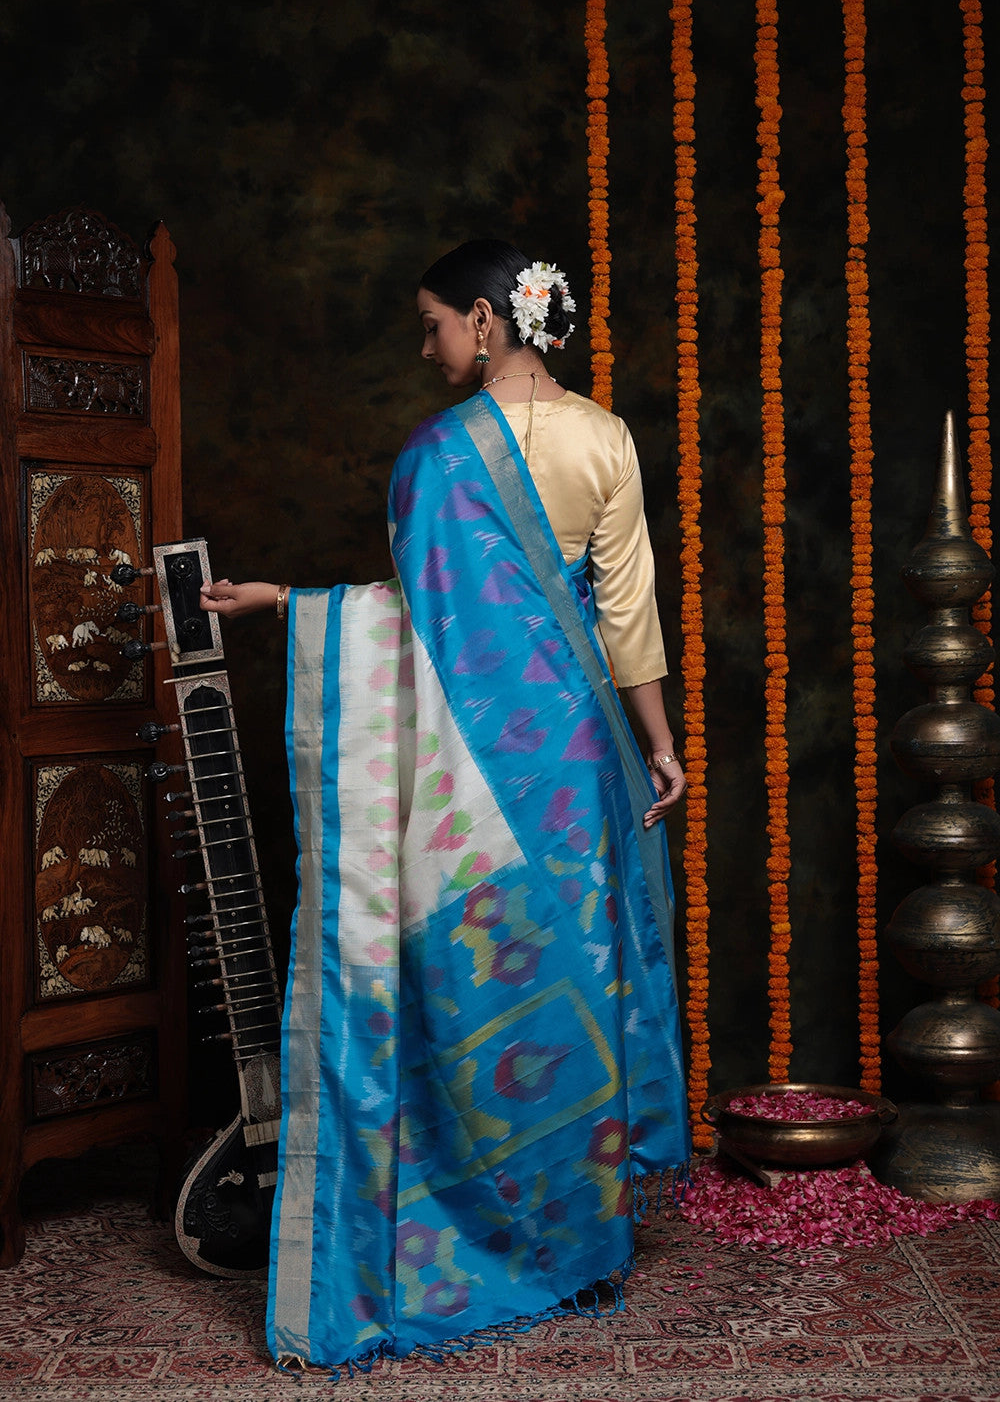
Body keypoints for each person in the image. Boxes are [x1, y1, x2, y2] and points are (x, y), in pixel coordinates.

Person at [200, 239, 692, 1374]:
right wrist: (659, 745)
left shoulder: (436, 455)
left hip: (469, 767)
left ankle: (478, 1227)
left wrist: (292, 604)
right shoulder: (605, 437)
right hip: (575, 756)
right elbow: (627, 613)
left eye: (432, 325)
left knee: (478, 975)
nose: (427, 349)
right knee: (578, 975)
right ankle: (585, 1243)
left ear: (484, 316)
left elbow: (415, 619)